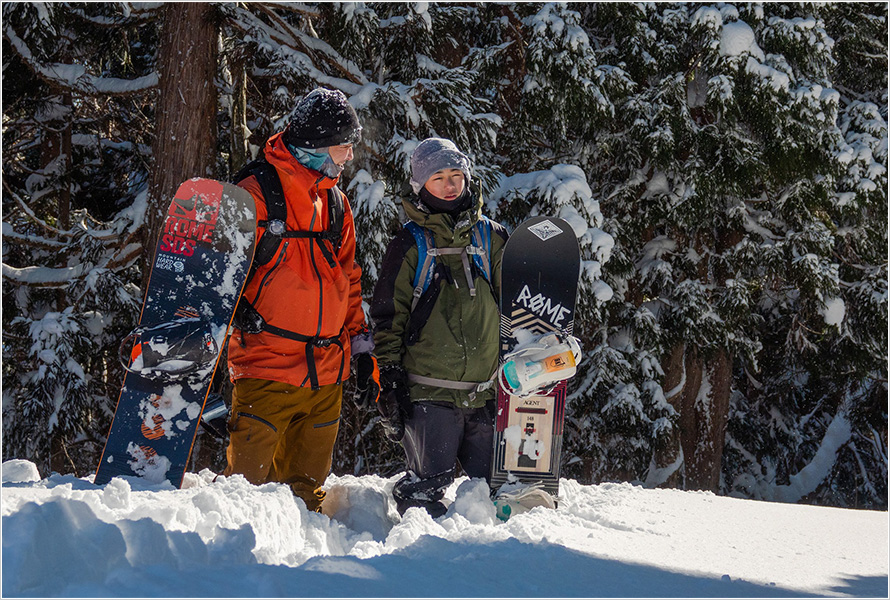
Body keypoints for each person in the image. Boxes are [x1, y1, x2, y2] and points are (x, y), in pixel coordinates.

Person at [223, 88, 379, 512]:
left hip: (326, 378)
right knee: (245, 500)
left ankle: (301, 579)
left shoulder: (335, 204)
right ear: (316, 145)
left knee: (306, 501)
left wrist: (361, 349)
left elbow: (348, 280)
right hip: (266, 369)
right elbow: (221, 277)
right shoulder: (256, 193)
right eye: (343, 147)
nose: (348, 157)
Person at [370, 137, 508, 517]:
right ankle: (430, 558)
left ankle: (494, 558)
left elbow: (514, 305)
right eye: (438, 178)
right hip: (430, 392)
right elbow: (388, 316)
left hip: (485, 391)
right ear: (420, 186)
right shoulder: (409, 244)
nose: (450, 185)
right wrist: (391, 377)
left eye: (456, 175)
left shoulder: (491, 237)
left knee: (495, 488)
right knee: (428, 485)